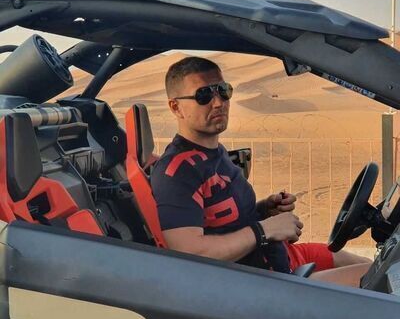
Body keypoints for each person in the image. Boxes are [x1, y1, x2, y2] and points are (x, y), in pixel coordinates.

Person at [150, 56, 371, 276]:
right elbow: (190, 253)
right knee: (375, 280)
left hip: (283, 257)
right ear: (176, 107)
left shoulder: (214, 153)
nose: (218, 103)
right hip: (266, 282)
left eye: (223, 91)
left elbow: (226, 222)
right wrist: (264, 230)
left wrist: (265, 210)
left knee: (371, 267)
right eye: (203, 95)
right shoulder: (177, 172)